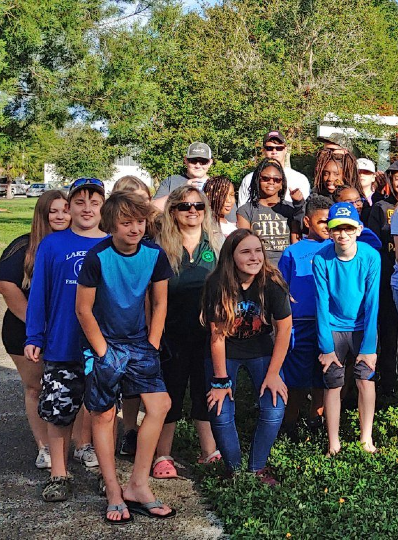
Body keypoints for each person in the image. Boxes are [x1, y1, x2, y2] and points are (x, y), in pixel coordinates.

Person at [76, 191, 176, 522]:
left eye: (140, 222)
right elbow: (83, 310)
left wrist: (152, 341)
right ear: (111, 225)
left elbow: (160, 303)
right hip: (104, 342)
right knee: (103, 415)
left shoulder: (154, 254)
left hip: (139, 341)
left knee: (160, 405)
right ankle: (113, 490)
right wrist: (102, 351)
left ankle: (137, 484)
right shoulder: (97, 257)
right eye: (126, 223)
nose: (134, 229)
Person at [26, 178, 108, 501]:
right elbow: (39, 296)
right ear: (70, 207)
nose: (87, 209)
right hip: (61, 343)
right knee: (58, 412)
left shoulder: (111, 244)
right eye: (80, 202)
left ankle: (105, 471)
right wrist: (34, 335)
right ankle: (59, 473)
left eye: (95, 203)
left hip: (101, 347)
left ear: (103, 207)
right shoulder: (52, 245)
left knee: (102, 412)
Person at [202, 229, 292, 484]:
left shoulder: (271, 283)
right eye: (245, 252)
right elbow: (217, 336)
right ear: (231, 257)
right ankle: (234, 470)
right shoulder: (217, 284)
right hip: (225, 350)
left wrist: (273, 374)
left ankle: (257, 467)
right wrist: (220, 381)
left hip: (261, 349)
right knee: (220, 409)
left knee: (274, 405)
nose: (254, 257)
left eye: (257, 251)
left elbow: (284, 328)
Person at [151, 186, 224, 477]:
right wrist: (152, 337)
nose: (192, 211)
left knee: (205, 390)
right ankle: (162, 455)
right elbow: (150, 298)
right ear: (172, 211)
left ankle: (209, 451)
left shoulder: (217, 243)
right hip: (172, 333)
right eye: (184, 206)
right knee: (171, 392)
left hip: (209, 334)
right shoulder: (159, 247)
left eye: (198, 206)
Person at [0, 191, 70, 471]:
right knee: (35, 388)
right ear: (42, 215)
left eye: (66, 209)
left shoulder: (75, 244)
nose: (61, 216)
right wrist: (36, 325)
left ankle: (74, 444)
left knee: (64, 388)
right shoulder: (24, 246)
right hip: (24, 331)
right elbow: (6, 284)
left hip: (63, 331)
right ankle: (43, 448)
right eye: (54, 211)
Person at [314, 202, 381, 455]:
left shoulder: (370, 256)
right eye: (337, 228)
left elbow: (373, 302)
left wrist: (369, 348)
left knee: (366, 379)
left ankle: (366, 437)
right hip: (333, 325)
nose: (343, 234)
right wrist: (327, 348)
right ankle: (333, 442)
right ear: (329, 231)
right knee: (332, 382)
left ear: (359, 229)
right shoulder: (321, 258)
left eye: (348, 228)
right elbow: (321, 303)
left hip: (362, 325)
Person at [277, 195, 332, 438]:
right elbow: (280, 287)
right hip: (300, 324)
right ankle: (289, 423)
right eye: (322, 222)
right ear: (308, 221)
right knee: (296, 378)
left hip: (328, 324)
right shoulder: (292, 252)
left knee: (323, 376)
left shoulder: (336, 249)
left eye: (331, 223)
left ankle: (315, 420)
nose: (328, 228)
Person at [364, 158, 398, 396]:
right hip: (387, 276)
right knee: (388, 331)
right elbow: (372, 242)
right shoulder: (380, 207)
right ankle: (387, 382)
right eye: (397, 178)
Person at [236, 159, 300, 264]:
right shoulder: (245, 211)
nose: (271, 182)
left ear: (281, 184)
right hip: (259, 266)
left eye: (277, 180)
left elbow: (295, 244)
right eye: (265, 178)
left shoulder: (290, 209)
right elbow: (245, 244)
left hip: (287, 265)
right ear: (257, 180)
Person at [236, 131, 310, 208]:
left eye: (279, 148)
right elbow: (241, 211)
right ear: (263, 150)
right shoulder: (249, 179)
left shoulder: (300, 179)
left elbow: (304, 212)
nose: (274, 152)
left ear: (285, 150)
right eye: (269, 148)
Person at [153, 142, 213, 211]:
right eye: (193, 161)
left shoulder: (218, 185)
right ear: (186, 160)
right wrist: (181, 190)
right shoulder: (171, 181)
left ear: (210, 162)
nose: (198, 166)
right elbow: (154, 208)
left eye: (203, 161)